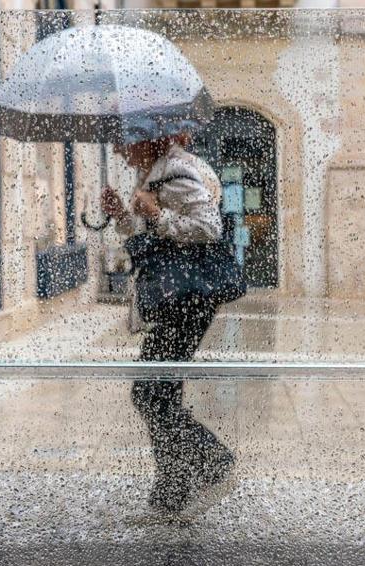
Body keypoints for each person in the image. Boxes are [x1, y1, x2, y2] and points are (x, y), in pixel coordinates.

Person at [101, 133, 236, 514]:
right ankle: (172, 492)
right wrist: (122, 217)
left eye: (123, 141)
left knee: (149, 394)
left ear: (149, 139)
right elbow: (145, 239)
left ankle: (213, 463)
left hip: (186, 299)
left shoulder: (176, 171)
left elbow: (209, 227)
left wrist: (157, 214)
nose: (117, 149)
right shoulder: (153, 173)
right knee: (161, 394)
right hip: (176, 298)